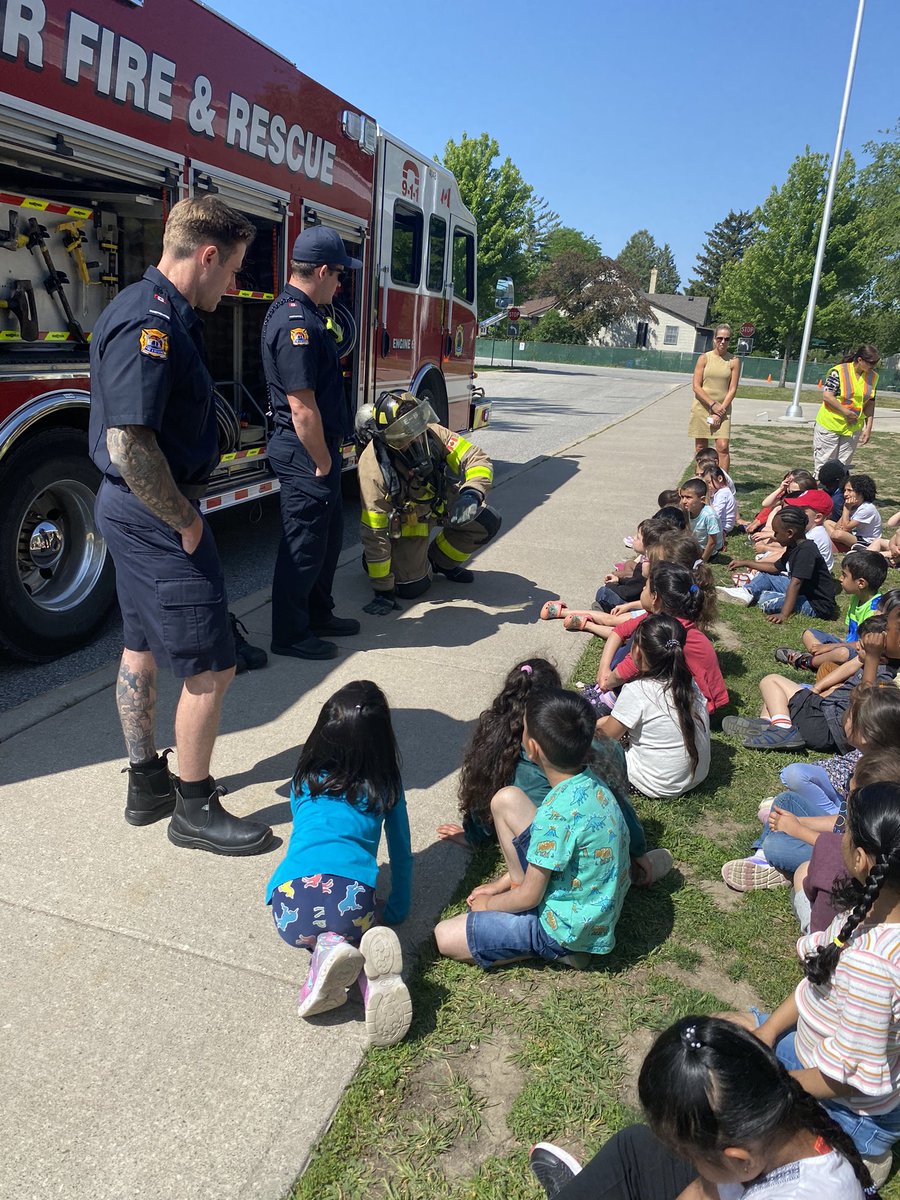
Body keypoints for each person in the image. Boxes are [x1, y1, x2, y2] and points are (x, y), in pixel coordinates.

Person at [90, 195, 273, 855]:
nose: (235, 284)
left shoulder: (167, 312)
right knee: (212, 665)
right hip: (154, 514)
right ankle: (194, 806)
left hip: (135, 511)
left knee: (140, 646)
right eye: (233, 270)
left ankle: (148, 786)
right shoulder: (152, 321)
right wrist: (186, 522)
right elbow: (129, 445)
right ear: (206, 254)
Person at [721, 779, 900, 1178]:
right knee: (731, 1030)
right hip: (824, 1055)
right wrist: (765, 1035)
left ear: (861, 857)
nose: (838, 834)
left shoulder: (872, 966)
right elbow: (813, 987)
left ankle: (859, 1153)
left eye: (845, 827)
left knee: (718, 1077)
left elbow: (849, 1080)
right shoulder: (868, 913)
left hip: (851, 1107)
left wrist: (774, 1083)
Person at [528, 1016, 874, 1200]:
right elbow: (704, 1191)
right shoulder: (776, 1126)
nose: (684, 1161)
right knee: (635, 1148)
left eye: (690, 1156)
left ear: (740, 1160)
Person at [433, 688, 632, 969]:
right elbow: (550, 845)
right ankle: (517, 893)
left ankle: (562, 951)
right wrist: (501, 886)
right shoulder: (589, 783)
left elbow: (531, 896)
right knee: (506, 799)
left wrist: (488, 905)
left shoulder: (556, 812)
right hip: (591, 907)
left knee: (444, 936)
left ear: (533, 748)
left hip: (565, 931)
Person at [436, 658, 673, 888]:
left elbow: (483, 794)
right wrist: (637, 850)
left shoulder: (511, 757)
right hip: (594, 840)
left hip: (549, 852)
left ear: (533, 748)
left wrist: (473, 835)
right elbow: (619, 799)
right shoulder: (603, 747)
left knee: (508, 803)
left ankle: (544, 881)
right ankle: (617, 873)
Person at [265, 680, 413, 1046]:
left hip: (289, 903)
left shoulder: (302, 783)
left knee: (321, 930)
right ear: (382, 741)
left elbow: (309, 839)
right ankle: (361, 977)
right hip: (353, 899)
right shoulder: (385, 790)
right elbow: (401, 854)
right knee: (351, 923)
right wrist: (397, 908)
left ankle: (327, 954)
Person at [262, 226, 363, 661]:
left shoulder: (307, 311)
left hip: (316, 450)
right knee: (302, 545)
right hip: (305, 451)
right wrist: (323, 462)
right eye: (339, 275)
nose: (341, 284)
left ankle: (318, 613)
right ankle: (289, 633)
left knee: (326, 538)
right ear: (321, 271)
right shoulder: (295, 322)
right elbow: (302, 408)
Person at [721, 685, 900, 892]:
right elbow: (843, 820)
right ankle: (762, 859)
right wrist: (796, 821)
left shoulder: (877, 780)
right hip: (845, 838)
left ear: (867, 734)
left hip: (856, 858)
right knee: (787, 801)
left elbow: (846, 842)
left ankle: (777, 864)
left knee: (777, 844)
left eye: (851, 715)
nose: (845, 717)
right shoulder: (870, 762)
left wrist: (796, 829)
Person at [355, 392, 500, 613]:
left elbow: (476, 458)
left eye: (415, 426)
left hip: (436, 504)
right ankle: (376, 563)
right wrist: (382, 589)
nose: (414, 438)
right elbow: (374, 532)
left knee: (486, 523)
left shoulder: (433, 433)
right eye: (403, 435)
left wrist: (472, 493)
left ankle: (441, 563)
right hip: (407, 525)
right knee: (412, 588)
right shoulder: (373, 468)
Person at [597, 614, 711, 798]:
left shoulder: (637, 690)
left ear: (637, 651)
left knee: (593, 744)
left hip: (653, 784)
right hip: (696, 777)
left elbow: (606, 738)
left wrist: (593, 726)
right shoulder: (688, 683)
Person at [595, 561, 728, 714]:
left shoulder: (666, 630)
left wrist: (607, 683)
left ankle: (611, 697)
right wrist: (604, 668)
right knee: (636, 636)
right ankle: (612, 693)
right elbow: (619, 631)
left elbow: (629, 668)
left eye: (646, 586)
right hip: (688, 693)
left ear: (655, 598)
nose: (643, 588)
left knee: (639, 644)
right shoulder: (666, 616)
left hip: (698, 706)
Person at [775, 549, 887, 672]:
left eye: (844, 575)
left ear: (861, 583)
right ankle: (825, 662)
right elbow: (850, 637)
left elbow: (863, 645)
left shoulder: (876, 610)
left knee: (842, 654)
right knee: (809, 633)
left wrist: (831, 647)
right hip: (847, 646)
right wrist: (829, 647)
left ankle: (805, 661)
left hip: (861, 655)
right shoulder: (857, 597)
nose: (840, 578)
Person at [720, 509, 838, 623]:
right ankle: (747, 592)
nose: (774, 535)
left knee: (767, 601)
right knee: (766, 576)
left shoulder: (806, 551)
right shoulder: (794, 545)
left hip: (816, 603)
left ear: (790, 533)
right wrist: (746, 562)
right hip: (803, 591)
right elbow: (775, 567)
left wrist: (783, 614)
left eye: (776, 532)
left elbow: (796, 583)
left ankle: (761, 594)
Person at [813, 344, 880, 473]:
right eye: (870, 363)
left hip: (852, 429)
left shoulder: (873, 377)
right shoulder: (838, 372)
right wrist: (846, 412)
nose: (872, 367)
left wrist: (868, 428)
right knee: (824, 468)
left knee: (843, 469)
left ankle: (838, 493)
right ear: (860, 360)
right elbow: (827, 396)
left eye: (874, 364)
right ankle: (821, 492)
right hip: (830, 425)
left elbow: (870, 403)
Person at [689, 323, 741, 472]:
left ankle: (722, 482)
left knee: (722, 447)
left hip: (723, 409)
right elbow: (696, 386)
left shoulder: (734, 361)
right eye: (719, 338)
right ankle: (701, 481)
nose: (723, 342)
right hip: (702, 407)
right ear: (714, 339)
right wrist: (712, 405)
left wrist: (720, 409)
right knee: (701, 447)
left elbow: (732, 389)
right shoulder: (704, 358)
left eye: (726, 339)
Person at [825, 474, 882, 551]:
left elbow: (845, 528)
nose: (845, 494)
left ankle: (844, 545)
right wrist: (848, 508)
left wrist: (846, 508)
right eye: (845, 490)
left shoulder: (867, 508)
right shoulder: (853, 506)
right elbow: (838, 527)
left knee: (838, 534)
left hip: (867, 541)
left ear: (861, 492)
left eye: (849, 491)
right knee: (827, 522)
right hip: (856, 534)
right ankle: (842, 544)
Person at [679, 478, 723, 561]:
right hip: (694, 547)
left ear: (702, 499)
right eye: (682, 497)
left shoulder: (709, 515)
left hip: (706, 551)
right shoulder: (687, 510)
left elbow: (712, 542)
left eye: (688, 497)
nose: (684, 501)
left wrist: (702, 561)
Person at [699, 462, 737, 534]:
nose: (708, 486)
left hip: (723, 527)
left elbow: (716, 514)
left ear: (720, 478)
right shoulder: (719, 491)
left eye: (709, 482)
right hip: (721, 524)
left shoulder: (723, 494)